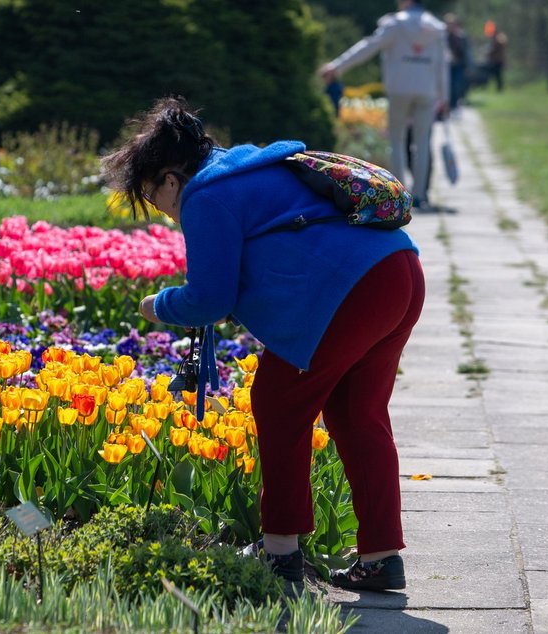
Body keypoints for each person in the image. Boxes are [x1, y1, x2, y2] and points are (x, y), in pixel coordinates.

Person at [101, 96, 426, 591]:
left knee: (277, 404)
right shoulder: (248, 166)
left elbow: (208, 299)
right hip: (398, 271)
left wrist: (158, 305)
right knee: (358, 416)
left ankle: (280, 553)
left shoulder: (205, 196)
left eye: (153, 197)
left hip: (350, 290)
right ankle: (381, 558)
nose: (163, 212)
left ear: (170, 178)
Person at [320, 0, 449, 209]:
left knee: (396, 141)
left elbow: (368, 46)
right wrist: (445, 98)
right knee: (423, 142)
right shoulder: (436, 27)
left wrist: (337, 66)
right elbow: (442, 66)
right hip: (427, 90)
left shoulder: (395, 24)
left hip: (399, 88)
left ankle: (399, 193)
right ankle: (419, 195)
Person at [444, 12, 472, 110]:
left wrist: (468, 66)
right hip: (446, 65)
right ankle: (448, 105)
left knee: (457, 85)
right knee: (447, 85)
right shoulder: (442, 36)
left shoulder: (461, 36)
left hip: (458, 64)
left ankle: (454, 104)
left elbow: (466, 52)